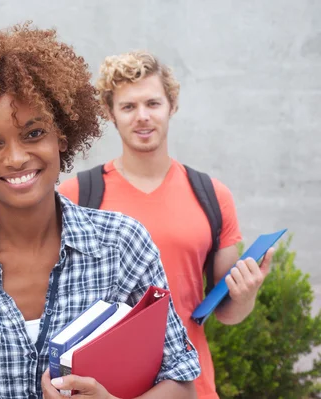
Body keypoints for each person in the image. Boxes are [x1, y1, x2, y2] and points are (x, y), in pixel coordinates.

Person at [0, 23, 200, 399]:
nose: (15, 158)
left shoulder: (122, 244)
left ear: (61, 135)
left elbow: (183, 383)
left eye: (33, 133)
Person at [58, 51, 274, 399]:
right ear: (110, 114)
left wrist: (246, 295)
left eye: (153, 103)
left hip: (191, 388)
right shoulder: (78, 195)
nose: (142, 117)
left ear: (171, 105)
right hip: (99, 388)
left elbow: (226, 314)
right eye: (128, 107)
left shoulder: (212, 195)